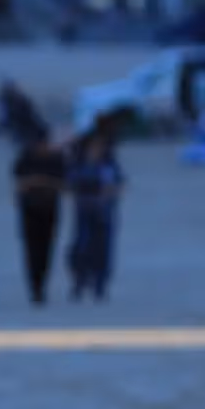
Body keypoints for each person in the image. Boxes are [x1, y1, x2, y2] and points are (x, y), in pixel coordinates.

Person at [66, 126, 125, 302]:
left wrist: (107, 193)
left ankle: (100, 285)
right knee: (81, 248)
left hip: (104, 212)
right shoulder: (79, 165)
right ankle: (80, 281)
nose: (96, 149)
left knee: (103, 250)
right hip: (84, 211)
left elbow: (119, 185)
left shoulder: (108, 165)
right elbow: (69, 184)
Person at [13, 139, 67, 306]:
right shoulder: (26, 159)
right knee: (31, 251)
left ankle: (41, 287)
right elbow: (19, 184)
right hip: (29, 211)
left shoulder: (56, 160)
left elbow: (65, 185)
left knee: (46, 251)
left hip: (50, 211)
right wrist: (41, 182)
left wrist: (38, 181)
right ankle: (35, 288)